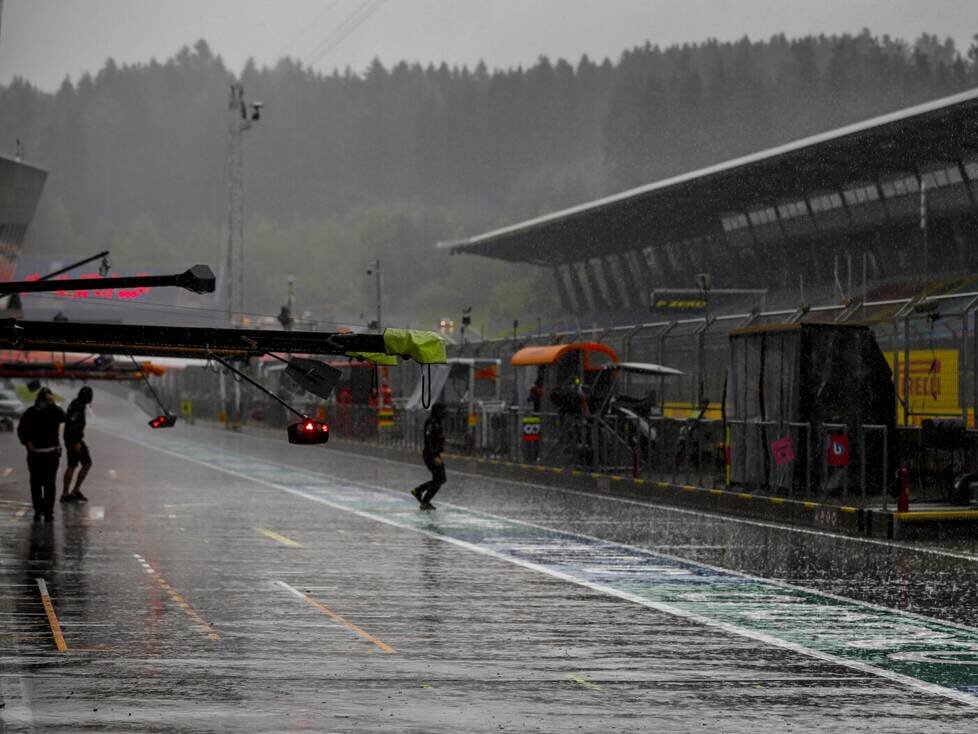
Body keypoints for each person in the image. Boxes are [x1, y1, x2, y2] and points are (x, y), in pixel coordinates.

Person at [17, 387, 66, 522]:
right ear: (38, 400)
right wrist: (26, 442)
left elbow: (63, 417)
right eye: (43, 399)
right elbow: (21, 430)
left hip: (51, 453)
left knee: (50, 484)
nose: (44, 402)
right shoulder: (31, 412)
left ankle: (48, 512)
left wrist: (53, 404)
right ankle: (38, 510)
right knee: (36, 483)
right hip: (35, 454)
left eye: (47, 399)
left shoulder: (54, 411)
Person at [411, 402, 446, 510]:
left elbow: (438, 439)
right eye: (443, 411)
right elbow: (428, 441)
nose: (445, 413)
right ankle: (419, 491)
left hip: (436, 454)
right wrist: (435, 455)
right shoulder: (431, 423)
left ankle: (424, 500)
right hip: (430, 454)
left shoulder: (438, 422)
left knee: (440, 479)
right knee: (440, 478)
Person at [62, 385, 94, 503]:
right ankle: (67, 493)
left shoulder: (77, 404)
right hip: (73, 440)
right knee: (75, 465)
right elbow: (72, 425)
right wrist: (76, 442)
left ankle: (74, 491)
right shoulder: (77, 407)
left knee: (84, 464)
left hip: (75, 439)